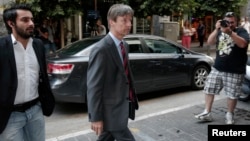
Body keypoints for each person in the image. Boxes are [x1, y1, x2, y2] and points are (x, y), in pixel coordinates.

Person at [0, 3, 55, 140]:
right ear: (11, 23)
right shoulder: (2, 47)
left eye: (31, 19)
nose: (31, 23)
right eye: (25, 20)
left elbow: (42, 77)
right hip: (9, 115)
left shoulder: (38, 45)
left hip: (35, 111)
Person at [87, 4, 139, 141]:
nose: (129, 24)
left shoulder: (124, 45)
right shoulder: (101, 49)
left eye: (130, 20)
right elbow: (94, 86)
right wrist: (96, 117)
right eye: (124, 20)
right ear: (111, 22)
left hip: (120, 108)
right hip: (111, 111)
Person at [194, 12, 249, 124]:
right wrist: (216, 29)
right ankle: (207, 112)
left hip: (234, 70)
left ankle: (229, 114)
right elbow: (209, 42)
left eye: (232, 22)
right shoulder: (220, 31)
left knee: (232, 94)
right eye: (227, 22)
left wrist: (230, 32)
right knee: (209, 89)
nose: (229, 24)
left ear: (236, 22)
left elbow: (243, 44)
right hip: (218, 68)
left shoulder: (241, 31)